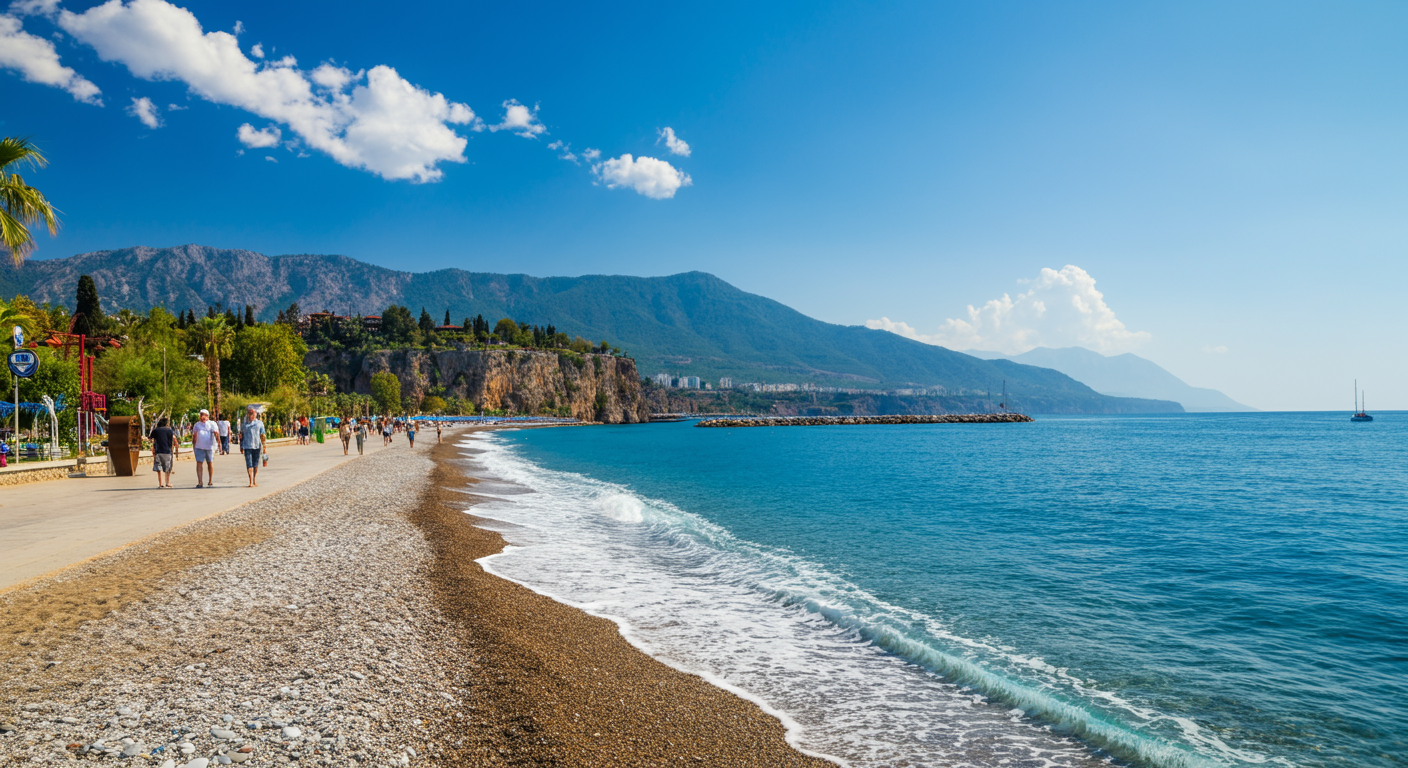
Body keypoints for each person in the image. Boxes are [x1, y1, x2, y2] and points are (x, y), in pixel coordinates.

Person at [190, 409, 220, 488]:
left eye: (205, 415)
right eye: (201, 415)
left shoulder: (212, 424)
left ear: (208, 416)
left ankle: (210, 480)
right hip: (199, 447)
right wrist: (194, 444)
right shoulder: (197, 425)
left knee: (209, 463)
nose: (203, 417)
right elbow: (194, 436)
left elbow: (216, 434)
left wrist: (219, 445)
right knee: (199, 463)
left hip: (209, 447)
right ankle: (200, 482)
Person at [240, 405, 266, 487]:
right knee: (249, 463)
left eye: (252, 413)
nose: (251, 415)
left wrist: (264, 446)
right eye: (249, 413)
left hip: (257, 446)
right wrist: (241, 446)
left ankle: (254, 480)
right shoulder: (244, 424)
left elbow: (262, 435)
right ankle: (250, 481)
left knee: (255, 464)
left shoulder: (259, 423)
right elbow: (241, 435)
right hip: (247, 446)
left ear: (255, 414)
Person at [149, 417, 176, 488]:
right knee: (167, 468)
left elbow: (150, 438)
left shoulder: (156, 430)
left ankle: (161, 483)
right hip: (167, 451)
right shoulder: (170, 430)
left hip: (158, 451)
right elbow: (172, 440)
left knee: (159, 468)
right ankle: (168, 482)